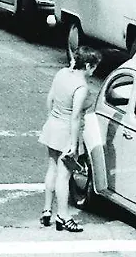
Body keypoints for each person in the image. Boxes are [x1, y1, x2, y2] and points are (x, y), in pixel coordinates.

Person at [38, 46, 102, 233]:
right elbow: (75, 117)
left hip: (52, 126)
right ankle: (63, 216)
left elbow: (50, 99)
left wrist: (52, 119)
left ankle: (47, 210)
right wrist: (74, 144)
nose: (94, 71)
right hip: (66, 131)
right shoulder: (81, 88)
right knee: (64, 176)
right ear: (88, 65)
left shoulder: (62, 74)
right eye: (94, 67)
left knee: (52, 168)